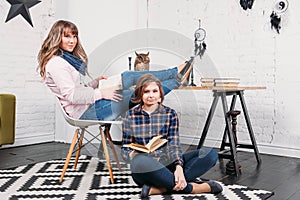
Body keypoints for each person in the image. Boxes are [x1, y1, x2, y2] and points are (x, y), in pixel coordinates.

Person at [37, 20, 193, 121]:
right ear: (57, 38)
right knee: (139, 93)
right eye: (67, 37)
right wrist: (101, 93)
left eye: (74, 36)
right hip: (85, 112)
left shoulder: (65, 59)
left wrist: (95, 83)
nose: (72, 41)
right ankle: (176, 78)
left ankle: (176, 75)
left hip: (89, 104)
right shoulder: (56, 63)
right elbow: (71, 95)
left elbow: (77, 89)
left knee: (129, 76)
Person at [121, 74, 222, 198]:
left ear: (160, 94)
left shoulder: (170, 114)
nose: (151, 95)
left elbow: (174, 145)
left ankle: (161, 188)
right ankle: (194, 188)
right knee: (139, 161)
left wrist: (178, 167)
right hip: (145, 169)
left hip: (168, 164)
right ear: (140, 94)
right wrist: (133, 154)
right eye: (146, 92)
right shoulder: (130, 116)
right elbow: (125, 150)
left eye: (154, 91)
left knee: (210, 154)